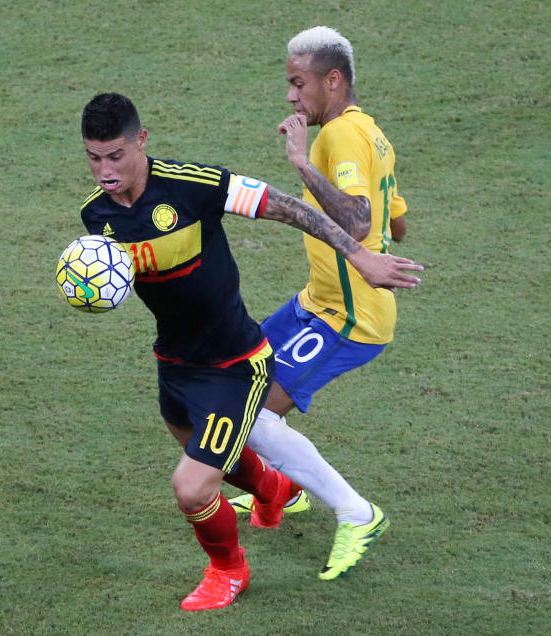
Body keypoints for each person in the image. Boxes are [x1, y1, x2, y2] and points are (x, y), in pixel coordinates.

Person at [76, 93, 421, 611]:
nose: (105, 170)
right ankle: (276, 491)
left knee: (193, 487)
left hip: (235, 363)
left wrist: (361, 257)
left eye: (116, 155)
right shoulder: (96, 217)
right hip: (174, 362)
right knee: (224, 458)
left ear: (142, 142)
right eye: (94, 157)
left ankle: (228, 571)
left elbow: (288, 208)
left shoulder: (197, 186)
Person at [228, 26, 412, 582]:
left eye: (298, 83)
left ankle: (358, 512)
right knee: (235, 383)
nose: (290, 96)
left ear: (332, 80)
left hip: (349, 317)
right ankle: (283, 491)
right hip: (317, 301)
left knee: (254, 419)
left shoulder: (340, 139)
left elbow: (358, 219)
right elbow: (395, 224)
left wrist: (301, 163)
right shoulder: (372, 134)